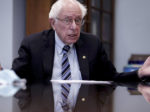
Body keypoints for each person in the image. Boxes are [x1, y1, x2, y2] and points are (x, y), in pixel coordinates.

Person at [6, 0, 150, 82]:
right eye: (68, 20)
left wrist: (139, 74)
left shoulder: (93, 44)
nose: (74, 27)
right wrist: (3, 76)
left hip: (81, 108)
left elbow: (111, 78)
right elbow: (14, 79)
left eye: (78, 20)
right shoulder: (33, 44)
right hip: (48, 108)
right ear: (53, 23)